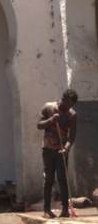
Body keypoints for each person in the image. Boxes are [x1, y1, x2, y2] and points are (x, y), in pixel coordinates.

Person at [37, 88, 78, 218]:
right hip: (48, 149)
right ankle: (46, 209)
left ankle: (65, 209)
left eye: (72, 105)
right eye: (68, 104)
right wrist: (50, 121)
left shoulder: (72, 114)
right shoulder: (49, 107)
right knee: (48, 179)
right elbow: (39, 125)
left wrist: (66, 148)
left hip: (62, 151)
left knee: (63, 179)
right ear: (63, 99)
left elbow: (72, 136)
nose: (69, 107)